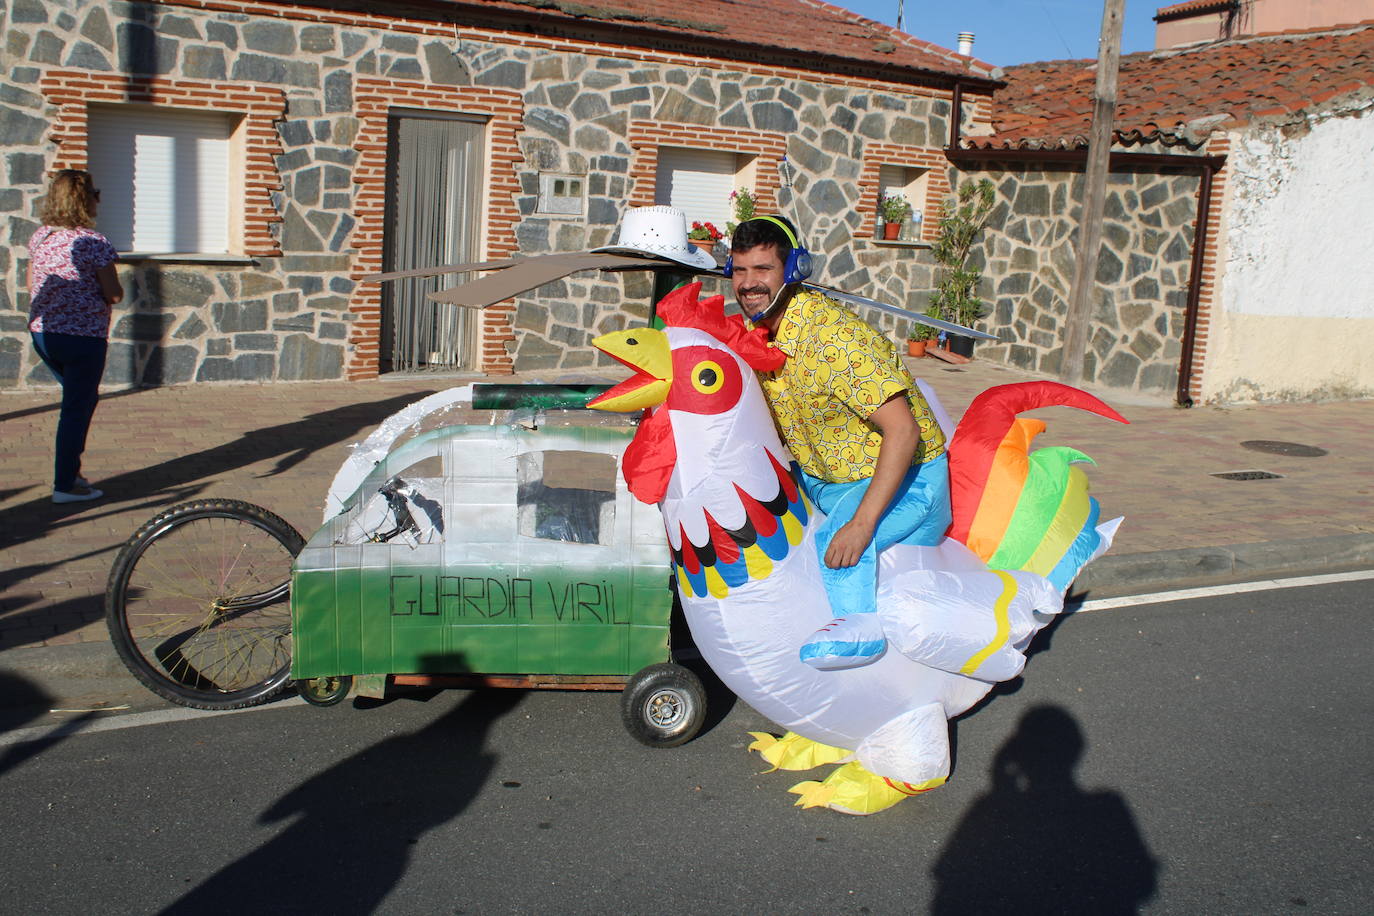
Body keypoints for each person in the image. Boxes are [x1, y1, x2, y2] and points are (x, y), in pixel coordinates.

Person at [727, 215, 950, 670]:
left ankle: (859, 630)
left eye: (763, 269)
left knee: (835, 544)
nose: (749, 283)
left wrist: (861, 524)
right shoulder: (760, 329)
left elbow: (903, 432)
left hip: (908, 477)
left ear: (792, 271)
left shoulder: (832, 337)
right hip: (826, 478)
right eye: (739, 270)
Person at [26, 168, 123, 503]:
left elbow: (31, 285)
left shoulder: (41, 237)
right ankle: (64, 485)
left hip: (44, 336)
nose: (99, 199)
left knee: (79, 401)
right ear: (84, 200)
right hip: (83, 338)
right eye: (95, 193)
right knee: (77, 407)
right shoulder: (96, 244)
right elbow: (113, 294)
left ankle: (73, 473)